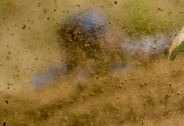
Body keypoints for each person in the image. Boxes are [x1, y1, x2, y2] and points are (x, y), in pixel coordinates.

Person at [31, 10, 172, 88]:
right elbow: (35, 92)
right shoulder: (55, 75)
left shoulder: (119, 54)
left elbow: (168, 41)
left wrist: (141, 55)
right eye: (90, 43)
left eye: (102, 36)